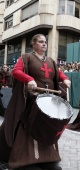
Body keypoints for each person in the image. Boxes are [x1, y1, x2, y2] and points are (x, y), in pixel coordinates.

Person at [0, 34, 71, 170]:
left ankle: (46, 158)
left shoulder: (51, 61)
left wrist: (65, 78)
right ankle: (26, 158)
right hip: (31, 102)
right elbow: (16, 71)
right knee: (27, 128)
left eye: (45, 42)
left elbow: (57, 73)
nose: (44, 44)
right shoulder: (26, 58)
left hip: (48, 102)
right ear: (33, 44)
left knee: (46, 128)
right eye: (40, 42)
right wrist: (29, 79)